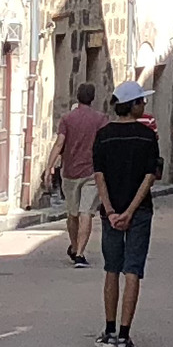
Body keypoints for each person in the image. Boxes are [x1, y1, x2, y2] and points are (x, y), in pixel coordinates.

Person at [90, 82, 166, 347]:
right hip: (140, 211)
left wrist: (110, 210)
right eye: (141, 102)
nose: (144, 106)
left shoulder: (103, 136)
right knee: (132, 271)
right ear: (132, 105)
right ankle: (124, 335)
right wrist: (131, 210)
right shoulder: (147, 137)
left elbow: (99, 176)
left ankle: (109, 330)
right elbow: (149, 177)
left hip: (111, 212)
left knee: (111, 269)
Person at [54, 82, 107, 263]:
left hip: (69, 171)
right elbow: (106, 144)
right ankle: (80, 253)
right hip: (92, 171)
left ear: (77, 96)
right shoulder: (101, 119)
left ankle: (75, 245)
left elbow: (59, 143)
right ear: (92, 98)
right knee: (86, 212)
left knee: (72, 213)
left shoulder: (67, 119)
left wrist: (48, 167)